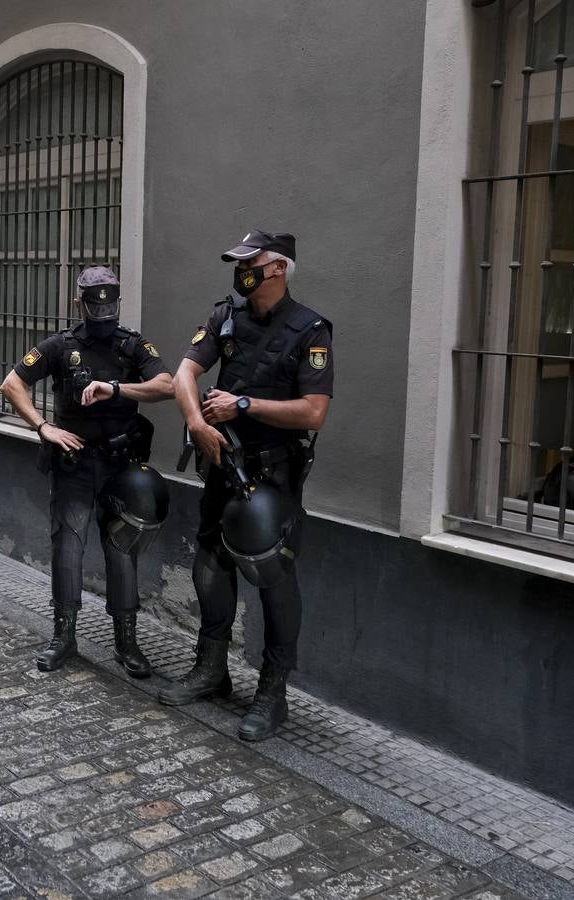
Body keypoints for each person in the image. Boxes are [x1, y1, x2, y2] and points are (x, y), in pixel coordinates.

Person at [157, 230, 333, 741]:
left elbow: (314, 412)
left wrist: (244, 406)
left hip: (273, 474)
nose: (240, 270)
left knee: (273, 575)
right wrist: (197, 423)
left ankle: (273, 693)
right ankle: (212, 669)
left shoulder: (310, 330)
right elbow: (185, 372)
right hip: (222, 461)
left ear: (277, 268)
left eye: (249, 262)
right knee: (209, 563)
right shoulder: (225, 316)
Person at [1, 266, 175, 678]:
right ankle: (64, 636)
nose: (102, 311)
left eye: (108, 303)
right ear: (78, 304)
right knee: (68, 549)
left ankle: (126, 642)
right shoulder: (60, 346)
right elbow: (12, 384)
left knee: (122, 553)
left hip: (121, 466)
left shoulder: (133, 346)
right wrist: (44, 428)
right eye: (93, 303)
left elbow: (167, 386)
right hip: (75, 465)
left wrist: (116, 389)